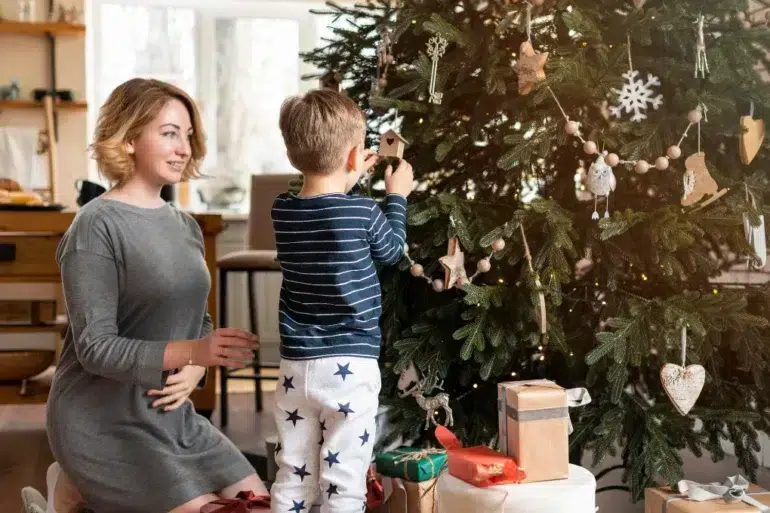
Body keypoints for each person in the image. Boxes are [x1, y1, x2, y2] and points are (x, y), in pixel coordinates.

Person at [46, 77, 269, 513]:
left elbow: (194, 318)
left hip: (168, 411)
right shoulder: (95, 226)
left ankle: (75, 494)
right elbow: (94, 348)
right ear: (128, 139)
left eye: (187, 135)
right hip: (99, 418)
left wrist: (194, 369)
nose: (184, 148)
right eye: (169, 133)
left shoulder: (185, 226)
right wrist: (193, 352)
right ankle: (72, 484)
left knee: (256, 502)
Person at [270, 89, 414, 513]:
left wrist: (345, 174)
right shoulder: (366, 212)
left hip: (296, 367)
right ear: (355, 156)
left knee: (293, 473)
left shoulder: (282, 210)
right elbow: (392, 252)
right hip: (349, 369)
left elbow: (321, 202)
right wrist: (398, 196)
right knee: (344, 481)